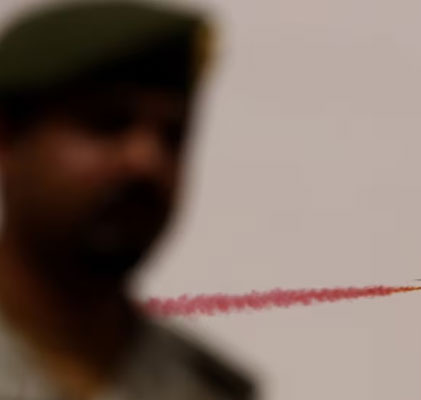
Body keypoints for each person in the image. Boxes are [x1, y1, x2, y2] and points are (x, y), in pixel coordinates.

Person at [0, 1, 255, 399]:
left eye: (173, 135)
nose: (146, 161)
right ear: (8, 139)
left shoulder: (206, 388)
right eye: (106, 124)